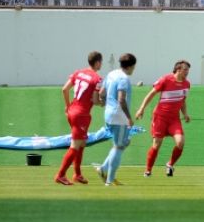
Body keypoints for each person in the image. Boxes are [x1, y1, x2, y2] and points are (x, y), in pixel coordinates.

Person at [135, 60, 191, 178]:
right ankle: (148, 170)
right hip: (160, 117)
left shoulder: (187, 84)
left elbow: (182, 101)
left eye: (188, 70)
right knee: (157, 144)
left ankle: (170, 165)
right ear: (178, 69)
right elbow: (151, 94)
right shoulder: (166, 79)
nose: (187, 72)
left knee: (180, 142)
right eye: (185, 69)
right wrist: (141, 109)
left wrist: (185, 114)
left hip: (174, 119)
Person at [54, 51, 103, 185]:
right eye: (101, 62)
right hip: (81, 114)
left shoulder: (78, 73)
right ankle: (60, 175)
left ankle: (77, 174)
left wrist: (67, 106)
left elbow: (64, 89)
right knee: (75, 145)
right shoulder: (97, 79)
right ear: (98, 62)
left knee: (81, 143)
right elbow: (95, 99)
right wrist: (103, 102)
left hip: (72, 111)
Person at [97, 53, 137, 186]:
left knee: (124, 143)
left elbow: (101, 92)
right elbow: (121, 99)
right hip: (119, 116)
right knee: (119, 146)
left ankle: (103, 169)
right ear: (131, 66)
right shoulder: (124, 79)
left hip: (109, 114)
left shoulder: (112, 73)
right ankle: (109, 180)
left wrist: (103, 102)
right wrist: (129, 118)